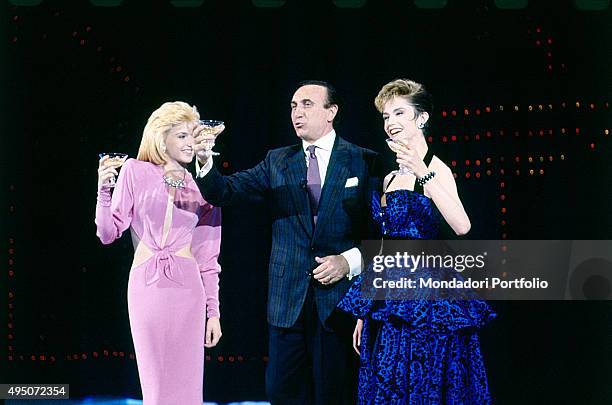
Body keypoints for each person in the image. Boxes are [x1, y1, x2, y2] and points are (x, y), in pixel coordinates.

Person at [193, 81, 380, 404]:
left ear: (331, 112)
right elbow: (223, 191)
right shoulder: (277, 161)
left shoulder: (364, 161)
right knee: (281, 392)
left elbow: (380, 238)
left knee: (334, 393)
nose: (297, 113)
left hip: (339, 303)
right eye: (293, 106)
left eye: (307, 104)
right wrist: (204, 158)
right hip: (287, 301)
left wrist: (346, 261)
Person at [338, 79, 496, 404]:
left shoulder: (437, 170)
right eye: (385, 116)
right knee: (388, 381)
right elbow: (385, 245)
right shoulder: (390, 178)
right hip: (391, 293)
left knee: (427, 380)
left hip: (429, 292)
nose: (391, 122)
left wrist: (422, 173)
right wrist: (363, 310)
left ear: (421, 118)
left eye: (399, 112)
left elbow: (462, 225)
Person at [95, 101, 222, 405]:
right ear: (160, 138)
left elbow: (208, 257)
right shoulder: (135, 171)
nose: (190, 143)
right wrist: (103, 191)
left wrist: (213, 312)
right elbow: (108, 233)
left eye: (193, 135)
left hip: (189, 292)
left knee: (189, 387)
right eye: (181, 136)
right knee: (155, 386)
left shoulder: (205, 187)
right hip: (146, 289)